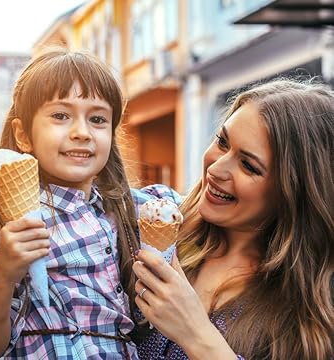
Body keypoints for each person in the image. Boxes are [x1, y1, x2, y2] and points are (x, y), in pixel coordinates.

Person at [0, 48, 180, 359]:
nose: (81, 132)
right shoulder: (12, 225)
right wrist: (3, 272)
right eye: (61, 116)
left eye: (98, 119)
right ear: (23, 135)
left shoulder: (133, 211)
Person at [132, 78, 334, 360]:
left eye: (249, 165)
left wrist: (197, 335)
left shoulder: (310, 316)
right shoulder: (161, 224)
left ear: (293, 193)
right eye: (222, 142)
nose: (216, 168)